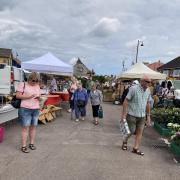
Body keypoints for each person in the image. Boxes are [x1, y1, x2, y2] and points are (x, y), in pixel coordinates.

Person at [121, 75, 151, 156]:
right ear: (142, 81)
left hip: (142, 116)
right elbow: (126, 101)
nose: (149, 83)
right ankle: (125, 141)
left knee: (140, 132)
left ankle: (135, 148)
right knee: (131, 131)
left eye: (150, 82)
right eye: (147, 81)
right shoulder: (133, 89)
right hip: (131, 115)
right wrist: (123, 115)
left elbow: (148, 103)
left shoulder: (148, 90)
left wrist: (148, 116)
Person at [16, 72, 41, 153]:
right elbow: (18, 96)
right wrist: (28, 97)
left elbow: (39, 95)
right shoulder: (22, 84)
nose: (35, 82)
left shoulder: (37, 85)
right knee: (25, 128)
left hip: (35, 108)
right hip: (25, 109)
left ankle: (31, 144)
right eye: (33, 81)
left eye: (37, 81)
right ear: (29, 79)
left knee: (33, 127)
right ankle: (23, 146)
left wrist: (39, 98)